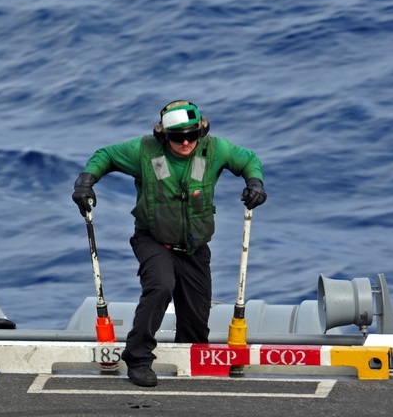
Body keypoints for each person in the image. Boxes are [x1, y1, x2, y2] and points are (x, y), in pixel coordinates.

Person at [72, 100, 266, 387]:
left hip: (194, 247)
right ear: (164, 136)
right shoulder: (144, 150)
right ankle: (137, 358)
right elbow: (106, 156)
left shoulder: (215, 149)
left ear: (202, 131)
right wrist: (85, 182)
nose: (186, 142)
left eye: (192, 135)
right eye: (177, 137)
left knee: (197, 318)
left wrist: (255, 183)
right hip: (153, 240)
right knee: (161, 286)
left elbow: (249, 159)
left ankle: (189, 361)